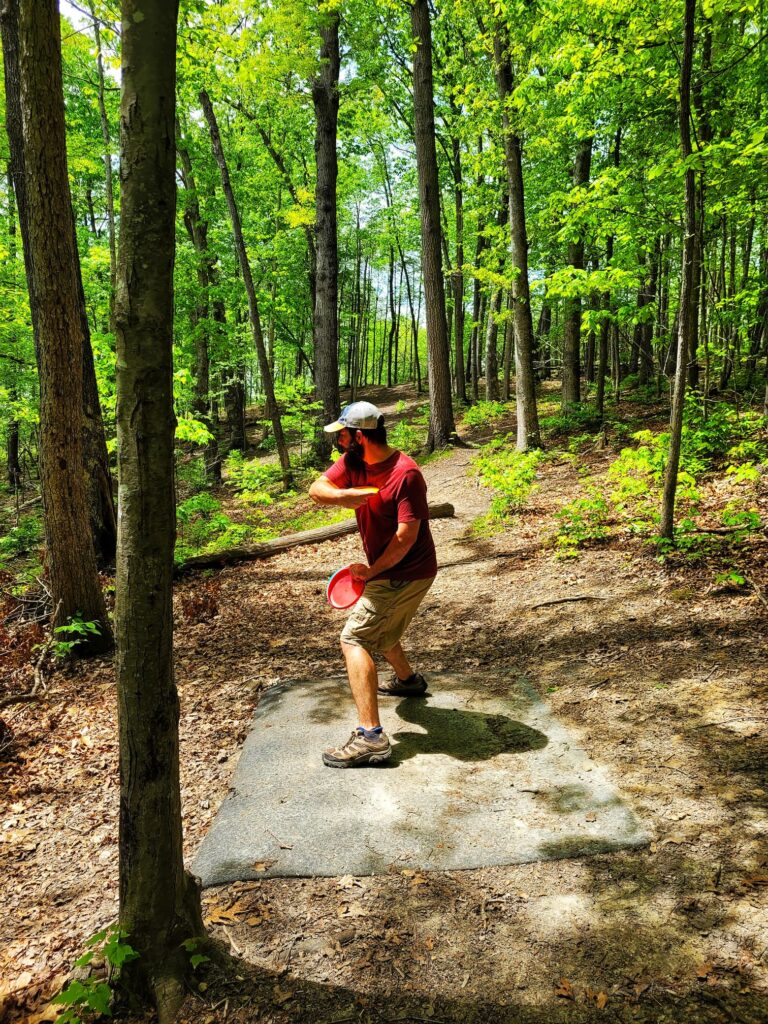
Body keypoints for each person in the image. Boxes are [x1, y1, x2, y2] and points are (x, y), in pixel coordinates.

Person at [309, 401, 437, 768]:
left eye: (343, 435)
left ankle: (371, 737)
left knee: (355, 638)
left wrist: (371, 571)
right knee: (379, 625)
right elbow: (317, 489)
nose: (338, 442)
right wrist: (344, 496)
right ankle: (408, 681)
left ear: (360, 436)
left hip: (406, 571)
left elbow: (406, 538)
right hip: (388, 571)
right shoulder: (354, 462)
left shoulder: (406, 474)